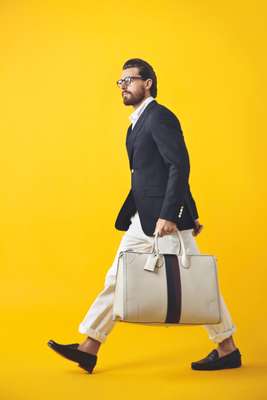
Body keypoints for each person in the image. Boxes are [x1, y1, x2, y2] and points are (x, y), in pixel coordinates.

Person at [47, 58, 242, 373]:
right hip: (144, 218)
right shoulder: (136, 123)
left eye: (129, 80)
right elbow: (158, 172)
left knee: (197, 283)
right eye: (120, 82)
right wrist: (184, 213)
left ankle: (227, 348)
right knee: (117, 277)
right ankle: (89, 347)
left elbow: (179, 165)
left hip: (163, 220)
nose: (123, 86)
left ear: (147, 82)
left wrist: (175, 214)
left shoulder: (159, 117)